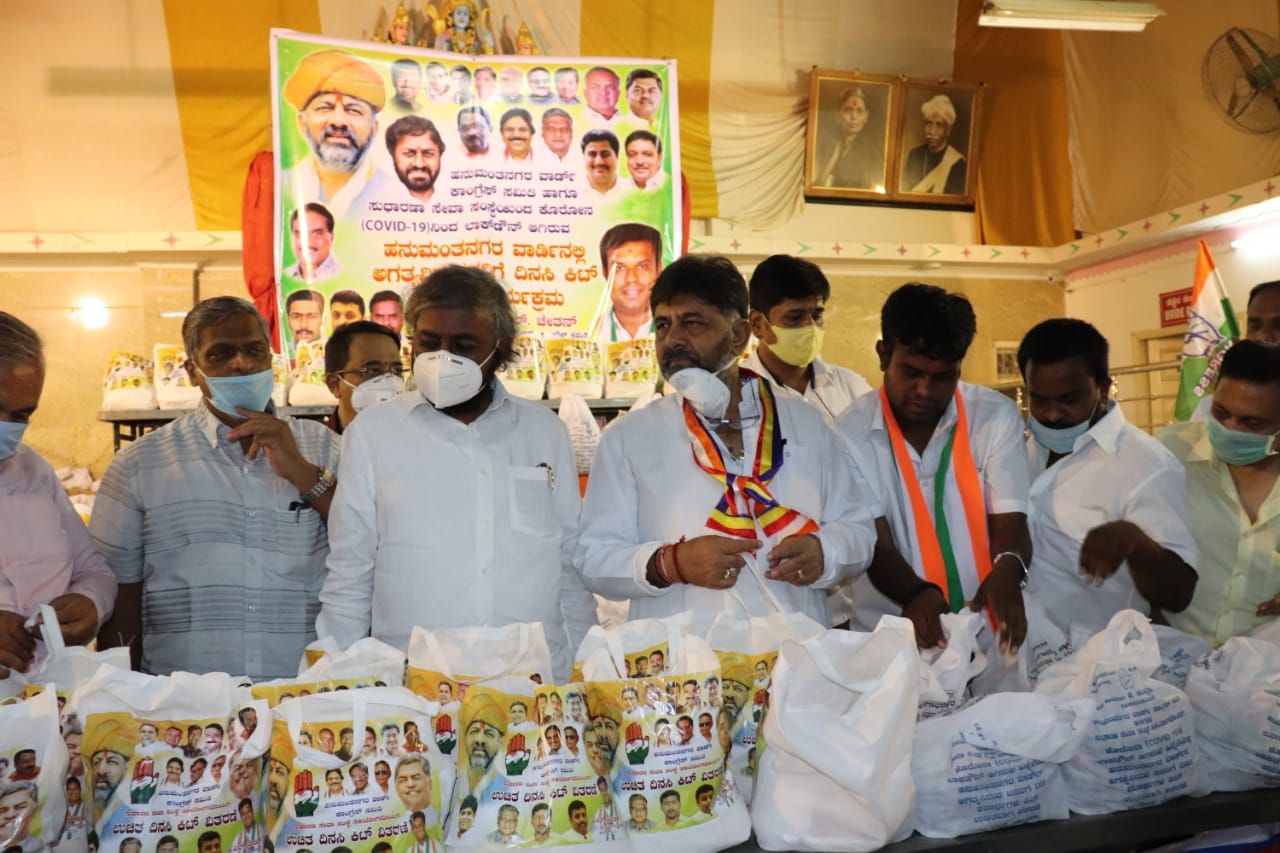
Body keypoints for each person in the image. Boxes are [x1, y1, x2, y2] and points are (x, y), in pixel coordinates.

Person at [316, 266, 596, 680]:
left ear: (500, 349)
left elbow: (568, 560)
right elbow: (350, 570)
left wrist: (586, 667)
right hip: (417, 684)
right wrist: (334, 678)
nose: (442, 357)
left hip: (532, 678)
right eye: (430, 342)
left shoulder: (544, 432)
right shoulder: (373, 435)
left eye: (464, 345)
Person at [577, 256, 875, 631]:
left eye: (692, 323)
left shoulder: (807, 424)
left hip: (795, 661)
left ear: (738, 335)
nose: (672, 340)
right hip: (687, 671)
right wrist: (674, 563)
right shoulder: (628, 438)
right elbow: (593, 559)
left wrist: (825, 552)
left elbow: (859, 532)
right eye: (664, 325)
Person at [93, 297, 340, 679]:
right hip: (184, 696)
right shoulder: (141, 465)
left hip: (301, 690)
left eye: (254, 350)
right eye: (221, 353)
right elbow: (121, 594)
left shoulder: (324, 447)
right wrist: (124, 690)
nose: (240, 363)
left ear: (270, 359)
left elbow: (365, 549)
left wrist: (303, 472)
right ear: (192, 371)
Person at [833, 283, 1031, 652]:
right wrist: (916, 593)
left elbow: (1010, 520)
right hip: (893, 636)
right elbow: (877, 543)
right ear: (882, 354)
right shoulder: (847, 433)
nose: (925, 390)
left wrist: (1008, 567)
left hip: (988, 634)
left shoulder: (993, 416)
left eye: (942, 377)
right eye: (911, 373)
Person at [1019, 319, 1198, 639]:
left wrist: (1134, 540)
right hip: (1021, 653)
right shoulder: (1021, 453)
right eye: (1039, 399)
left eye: (1069, 399)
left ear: (1102, 388)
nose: (1051, 414)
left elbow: (1179, 593)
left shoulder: (1146, 466)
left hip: (1103, 662)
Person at [0, 312, 116, 674]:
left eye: (21, 415)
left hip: (46, 701)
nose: (7, 426)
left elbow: (93, 569)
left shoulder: (32, 471)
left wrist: (89, 603)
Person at [1158, 340, 1280, 644]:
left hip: (1264, 674)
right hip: (1169, 661)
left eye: (1251, 422)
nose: (1230, 428)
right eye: (1221, 412)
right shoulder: (1168, 454)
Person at [282, 50, 395, 217]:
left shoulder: (395, 194)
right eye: (325, 108)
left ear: (374, 129)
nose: (338, 121)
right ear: (302, 123)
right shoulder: (279, 186)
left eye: (353, 110)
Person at [591, 223, 662, 344]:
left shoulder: (675, 331)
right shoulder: (592, 334)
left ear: (659, 270)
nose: (631, 278)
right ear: (605, 273)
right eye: (619, 268)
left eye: (642, 267)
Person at [816, 86, 884, 191]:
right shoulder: (824, 143)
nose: (854, 117)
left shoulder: (872, 151)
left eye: (860, 111)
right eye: (848, 110)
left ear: (866, 116)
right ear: (838, 115)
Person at [901, 94, 967, 195]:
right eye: (929, 123)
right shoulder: (915, 155)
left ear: (948, 130)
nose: (932, 131)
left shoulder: (958, 164)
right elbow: (904, 192)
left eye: (939, 125)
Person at [386, 116, 445, 204]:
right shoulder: (379, 198)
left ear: (440, 155)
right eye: (409, 154)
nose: (419, 164)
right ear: (393, 155)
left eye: (428, 154)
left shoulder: (455, 200)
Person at [287, 204, 340, 284]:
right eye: (300, 234)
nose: (308, 241)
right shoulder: (285, 275)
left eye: (317, 233)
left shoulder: (342, 275)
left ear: (331, 238)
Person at [581, 129, 624, 200]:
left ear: (617, 157)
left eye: (605, 154)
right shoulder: (570, 193)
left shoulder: (634, 191)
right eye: (592, 154)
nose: (599, 162)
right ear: (584, 157)